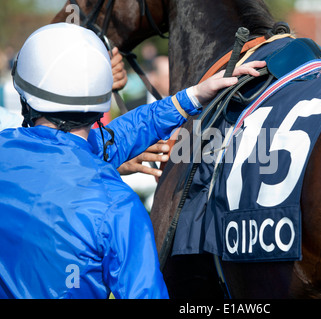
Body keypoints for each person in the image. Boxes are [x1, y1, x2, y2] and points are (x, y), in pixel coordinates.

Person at [0, 23, 265, 299]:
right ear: (101, 98)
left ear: (26, 97)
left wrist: (195, 94)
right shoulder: (116, 203)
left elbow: (122, 135)